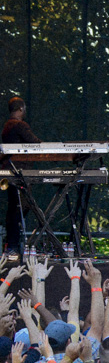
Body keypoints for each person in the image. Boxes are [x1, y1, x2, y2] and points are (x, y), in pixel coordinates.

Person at [3, 96, 41, 256]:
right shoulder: (20, 125)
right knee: (20, 207)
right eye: (23, 109)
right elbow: (35, 143)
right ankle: (13, 244)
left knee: (15, 208)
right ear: (20, 109)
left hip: (11, 173)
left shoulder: (6, 126)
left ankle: (11, 244)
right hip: (20, 174)